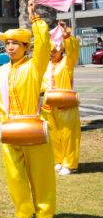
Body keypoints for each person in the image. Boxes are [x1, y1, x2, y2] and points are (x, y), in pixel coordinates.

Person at [0, 0, 55, 218]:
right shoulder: (2, 71)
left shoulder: (34, 66)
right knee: (15, 176)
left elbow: (43, 45)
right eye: (7, 43)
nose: (10, 47)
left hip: (32, 127)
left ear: (25, 47)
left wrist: (36, 18)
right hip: (9, 129)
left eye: (15, 43)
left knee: (40, 175)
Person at [42, 21, 81, 176]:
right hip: (48, 106)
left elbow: (73, 51)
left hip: (65, 105)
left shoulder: (67, 63)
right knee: (53, 134)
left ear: (61, 49)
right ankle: (59, 160)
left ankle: (70, 164)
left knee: (68, 134)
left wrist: (66, 35)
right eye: (49, 50)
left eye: (54, 49)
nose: (51, 53)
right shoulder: (45, 65)